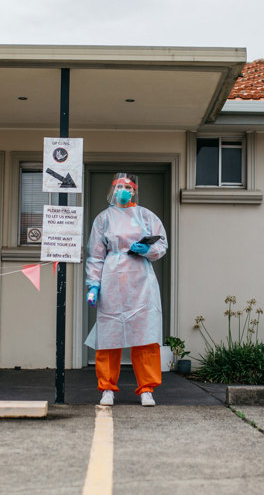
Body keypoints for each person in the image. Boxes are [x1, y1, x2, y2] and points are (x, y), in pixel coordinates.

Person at [85, 173, 168, 406]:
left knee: (145, 334)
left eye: (127, 187)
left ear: (134, 191)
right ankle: (107, 388)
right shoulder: (103, 219)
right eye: (118, 186)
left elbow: (161, 244)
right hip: (111, 280)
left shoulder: (145, 216)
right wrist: (93, 285)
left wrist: (145, 250)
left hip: (141, 281)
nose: (123, 190)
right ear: (112, 190)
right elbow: (95, 254)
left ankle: (147, 389)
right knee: (109, 334)